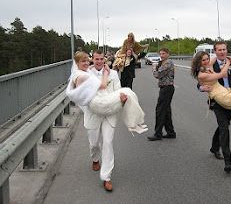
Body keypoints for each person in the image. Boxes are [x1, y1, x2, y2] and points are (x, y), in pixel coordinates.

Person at [66, 50, 148, 191]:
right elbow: (80, 96)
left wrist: (122, 101)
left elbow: (117, 90)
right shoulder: (86, 73)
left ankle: (106, 177)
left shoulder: (113, 74)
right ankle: (95, 158)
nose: (99, 61)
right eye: (96, 59)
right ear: (93, 60)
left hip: (110, 113)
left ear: (105, 59)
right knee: (94, 144)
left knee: (108, 143)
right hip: (93, 113)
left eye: (101, 59)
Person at [197, 41, 231, 173]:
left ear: (227, 50)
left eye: (224, 49)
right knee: (224, 128)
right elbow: (200, 82)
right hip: (217, 102)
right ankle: (228, 161)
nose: (222, 52)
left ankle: (214, 146)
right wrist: (202, 87)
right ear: (215, 51)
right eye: (219, 50)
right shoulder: (209, 65)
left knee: (224, 125)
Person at [147, 48, 176, 141]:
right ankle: (171, 132)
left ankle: (158, 134)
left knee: (160, 111)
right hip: (165, 88)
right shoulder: (163, 62)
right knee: (166, 111)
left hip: (167, 88)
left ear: (168, 54)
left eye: (163, 53)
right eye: (160, 54)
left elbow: (158, 75)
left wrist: (153, 68)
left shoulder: (168, 63)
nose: (161, 55)